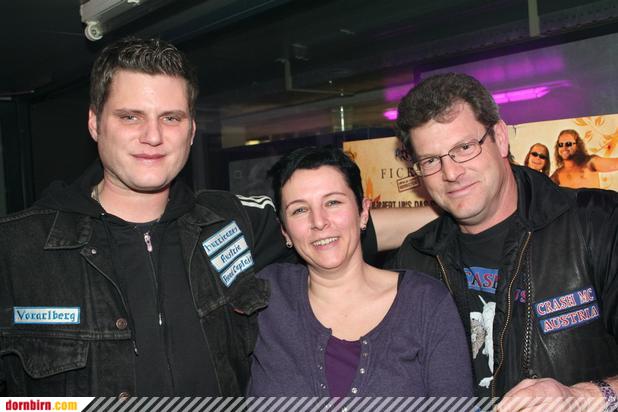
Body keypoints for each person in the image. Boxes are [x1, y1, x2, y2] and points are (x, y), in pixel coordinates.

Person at [0, 37, 434, 396]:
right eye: (130, 117)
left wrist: (461, 201)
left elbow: (341, 226)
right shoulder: (18, 250)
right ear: (96, 123)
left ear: (191, 130)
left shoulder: (227, 222)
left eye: (171, 118)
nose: (153, 136)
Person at [392, 73, 618, 407]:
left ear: (499, 137)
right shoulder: (416, 258)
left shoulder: (597, 223)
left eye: (464, 148)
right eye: (431, 161)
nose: (451, 173)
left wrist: (584, 397)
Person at [247, 146, 472, 397]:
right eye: (300, 210)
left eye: (333, 202)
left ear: (363, 212)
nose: (319, 222)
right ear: (285, 231)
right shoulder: (266, 298)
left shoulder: (425, 302)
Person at [550, 129, 618, 188]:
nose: (564, 147)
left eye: (568, 144)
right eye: (560, 145)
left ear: (578, 145)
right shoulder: (557, 174)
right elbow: (544, 190)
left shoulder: (590, 163)